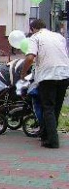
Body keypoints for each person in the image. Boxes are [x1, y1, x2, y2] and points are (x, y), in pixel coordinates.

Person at [20, 19, 69, 148]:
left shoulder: (35, 37)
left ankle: (52, 140)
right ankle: (47, 134)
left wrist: (23, 73)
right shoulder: (59, 36)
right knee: (56, 108)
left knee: (47, 107)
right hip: (64, 73)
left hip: (48, 76)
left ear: (32, 29)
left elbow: (30, 57)